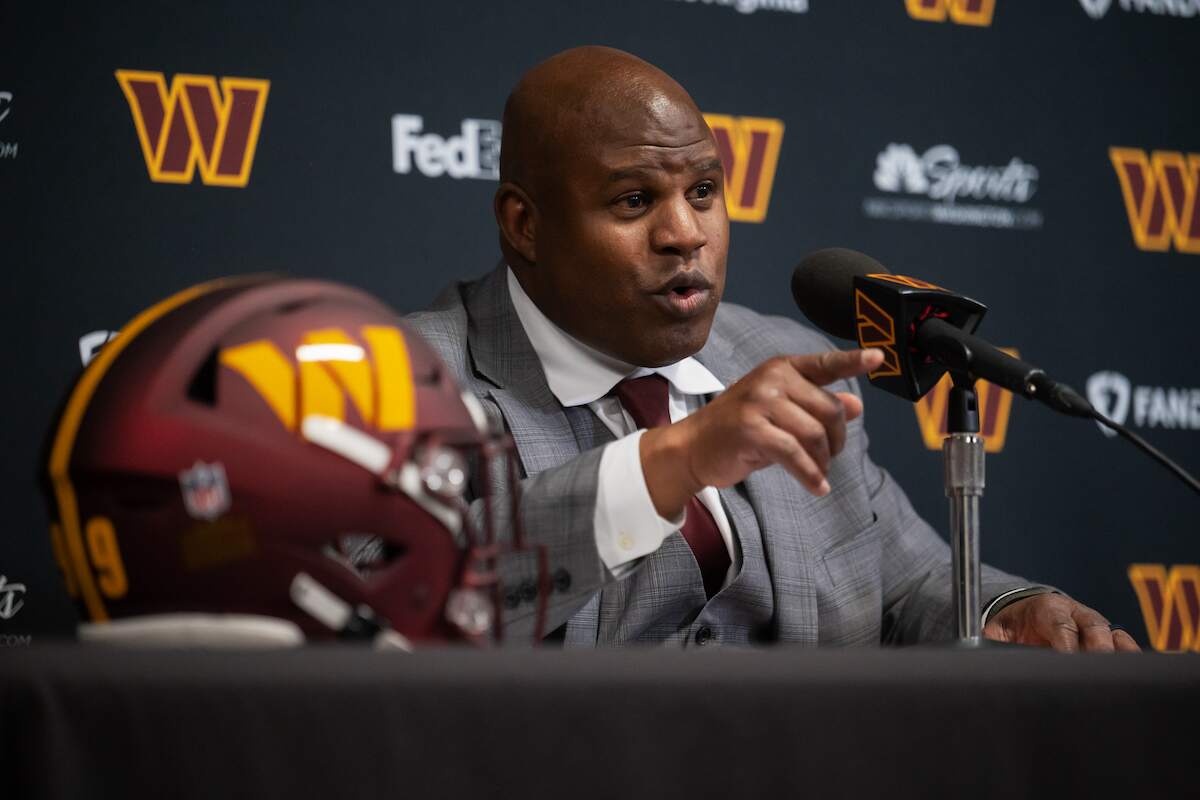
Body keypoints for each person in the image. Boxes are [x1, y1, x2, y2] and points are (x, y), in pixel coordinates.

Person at [404, 45, 1138, 652]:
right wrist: (672, 462)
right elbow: (407, 601)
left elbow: (907, 582)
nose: (685, 234)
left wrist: (1005, 610)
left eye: (702, 191)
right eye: (634, 201)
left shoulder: (781, 356)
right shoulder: (410, 378)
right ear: (524, 224)